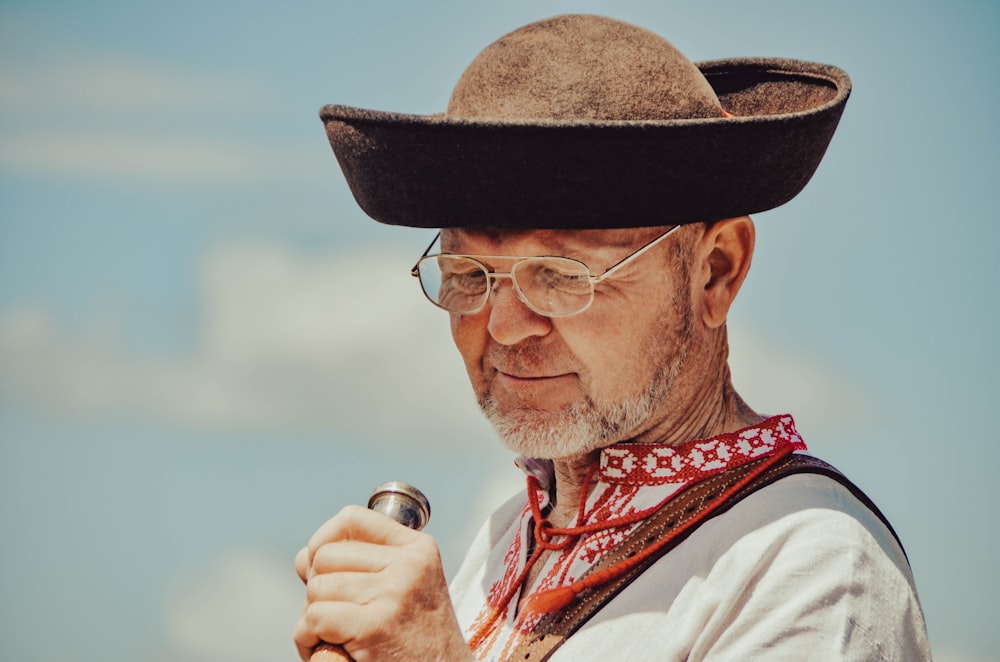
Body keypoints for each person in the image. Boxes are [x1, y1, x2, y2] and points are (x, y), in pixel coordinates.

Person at [294, 14, 931, 661]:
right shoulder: (507, 540)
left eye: (561, 274)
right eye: (469, 273)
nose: (506, 325)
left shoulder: (813, 567)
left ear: (716, 271)